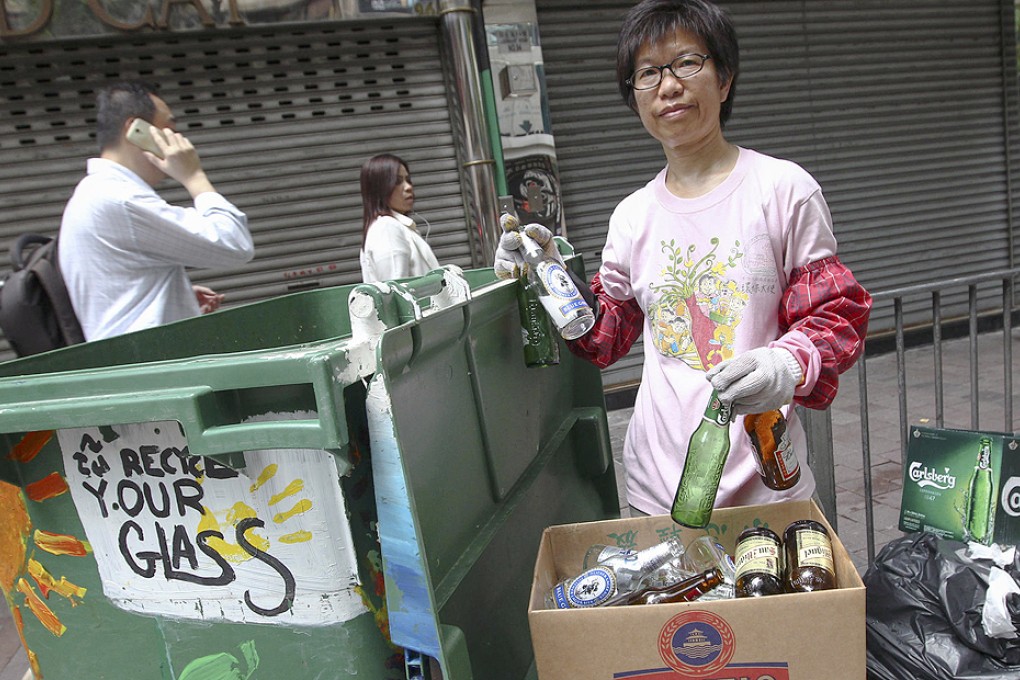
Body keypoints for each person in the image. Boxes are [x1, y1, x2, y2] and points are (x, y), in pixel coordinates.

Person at [495, 0, 872, 516]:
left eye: (687, 63)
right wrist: (543, 271)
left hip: (767, 480)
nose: (668, 86)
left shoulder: (784, 190)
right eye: (647, 73)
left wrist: (787, 362)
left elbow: (837, 313)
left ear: (724, 78)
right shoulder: (632, 216)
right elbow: (604, 335)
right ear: (634, 97)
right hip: (657, 485)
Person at [59, 81, 254, 341]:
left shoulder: (93, 193)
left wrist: (176, 296)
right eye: (169, 129)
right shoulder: (120, 200)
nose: (178, 141)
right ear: (135, 130)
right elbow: (234, 245)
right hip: (147, 367)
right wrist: (194, 176)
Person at [359, 154, 439, 283]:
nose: (408, 187)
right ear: (379, 188)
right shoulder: (387, 228)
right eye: (397, 181)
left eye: (408, 179)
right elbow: (397, 291)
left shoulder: (396, 227)